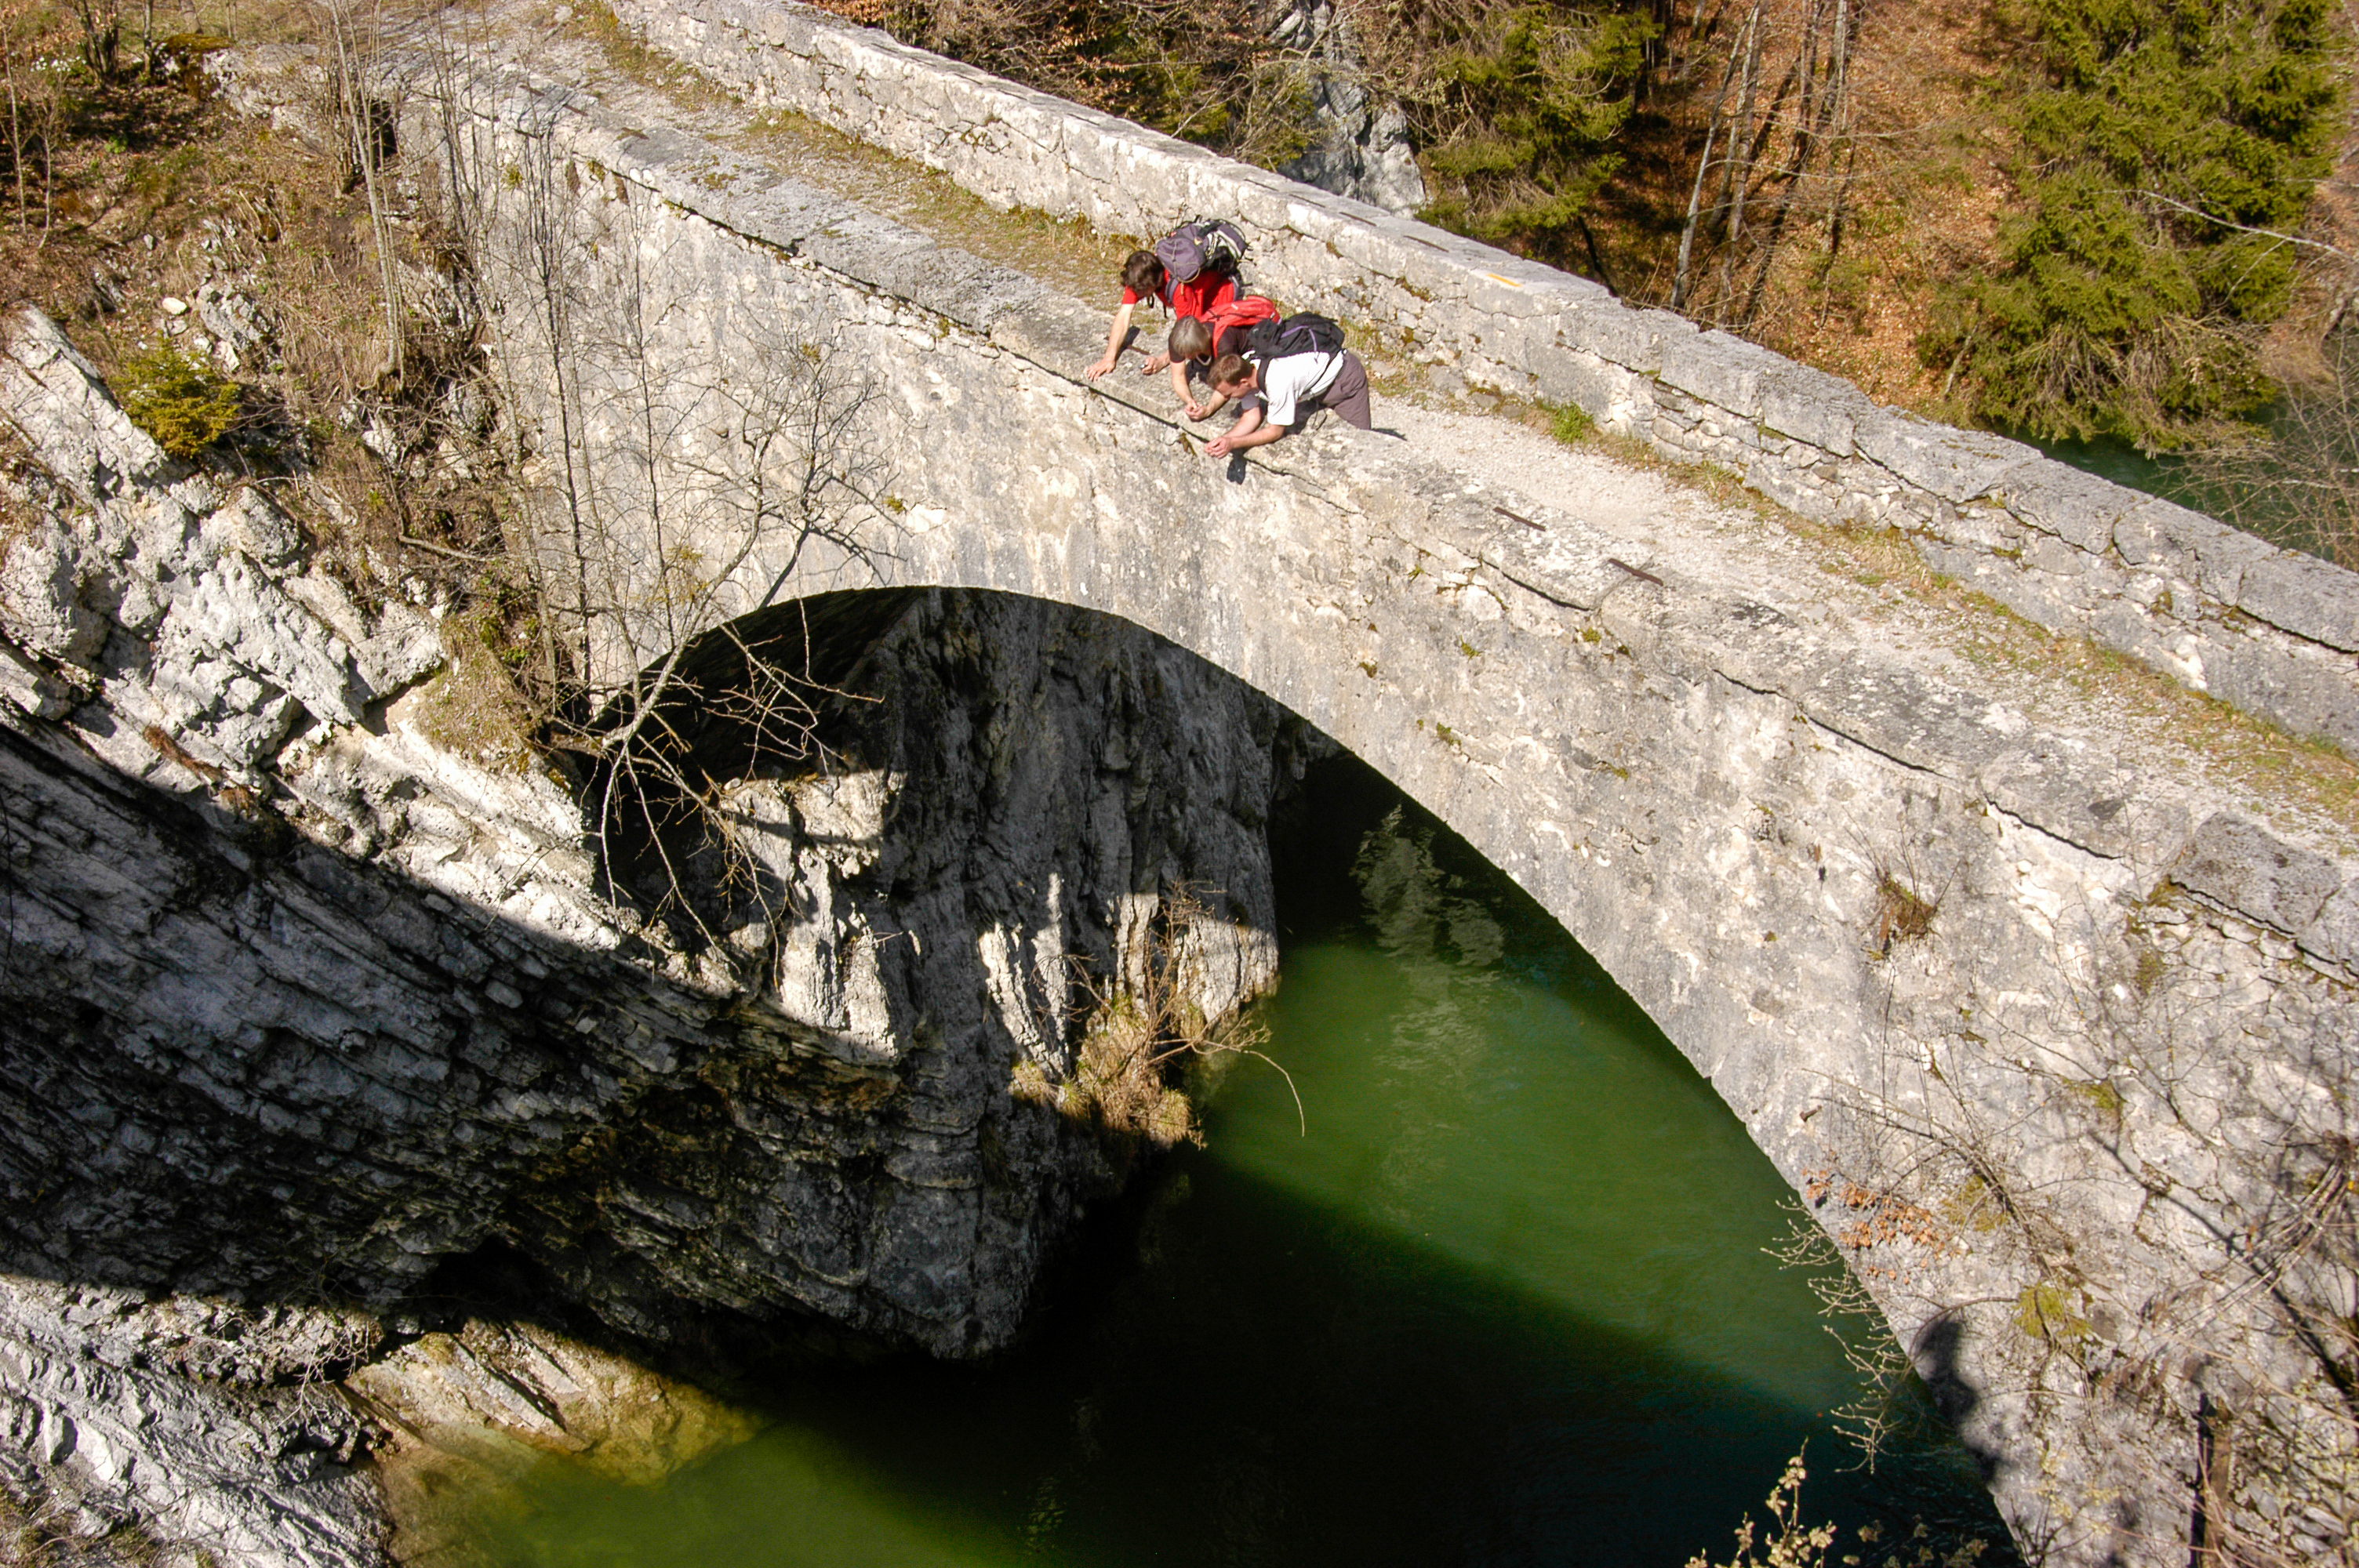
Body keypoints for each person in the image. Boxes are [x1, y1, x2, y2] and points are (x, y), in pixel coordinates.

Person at [1083, 245, 1239, 382]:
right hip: (1199, 297)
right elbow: (1124, 315)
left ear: (1152, 285)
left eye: (1140, 291)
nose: (1136, 294)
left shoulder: (1180, 290)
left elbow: (1187, 334)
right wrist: (1109, 358)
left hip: (1220, 297)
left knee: (1207, 349)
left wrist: (1161, 361)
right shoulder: (1142, 274)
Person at [1201, 339, 1371, 457]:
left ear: (1243, 382)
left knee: (1361, 443)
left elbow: (1274, 432)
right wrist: (1226, 440)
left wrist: (1234, 444)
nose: (1227, 398)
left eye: (1229, 394)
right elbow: (1251, 416)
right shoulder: (1246, 364)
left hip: (1343, 379)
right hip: (1311, 378)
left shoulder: (1277, 381)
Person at [1165, 295, 1280, 420]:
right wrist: (1189, 400)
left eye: (1191, 354)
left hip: (1257, 343)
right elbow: (1178, 378)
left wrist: (1209, 409)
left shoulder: (1224, 344)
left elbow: (1227, 386)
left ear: (1201, 345)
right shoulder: (1178, 338)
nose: (1187, 357)